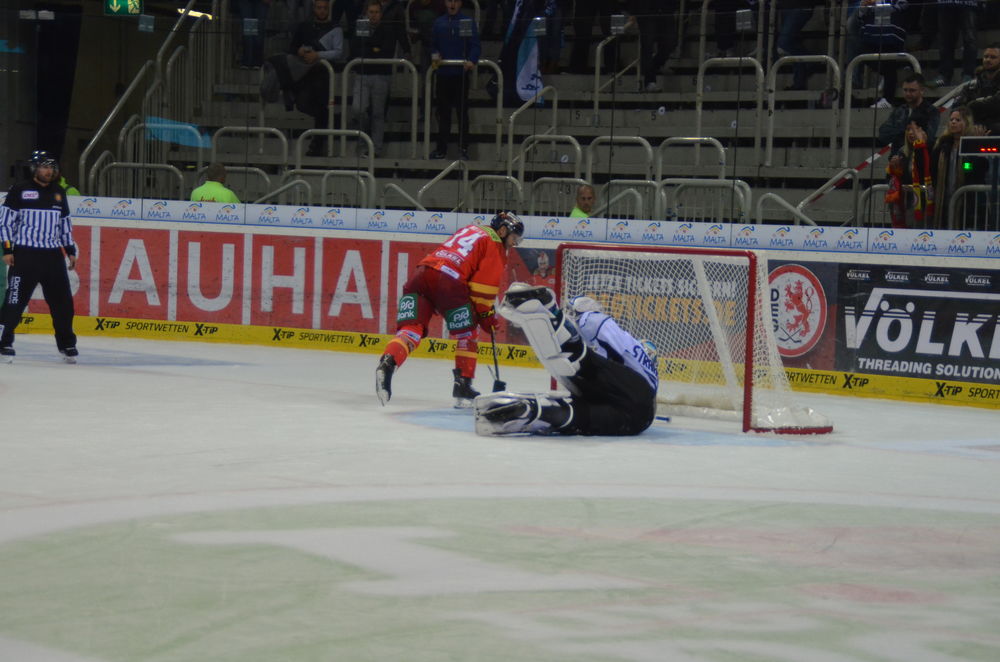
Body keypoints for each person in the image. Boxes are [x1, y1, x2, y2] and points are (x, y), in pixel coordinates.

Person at [375, 211, 525, 408]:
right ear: (503, 230)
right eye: (513, 238)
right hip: (448, 281)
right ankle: (463, 385)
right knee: (468, 333)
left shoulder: (471, 229)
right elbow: (482, 291)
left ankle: (389, 363)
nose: (513, 244)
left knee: (412, 327)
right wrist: (487, 316)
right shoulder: (495, 245)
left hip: (421, 274)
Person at [474, 287, 658, 436]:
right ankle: (536, 411)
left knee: (581, 364)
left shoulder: (635, 350)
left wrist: (584, 311)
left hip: (636, 394)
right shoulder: (646, 371)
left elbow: (597, 323)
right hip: (635, 422)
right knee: (579, 417)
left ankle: (550, 309)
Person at [0, 151, 79, 363]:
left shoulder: (59, 193)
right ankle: (4, 342)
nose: (49, 171)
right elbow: (6, 222)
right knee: (15, 300)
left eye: (52, 167)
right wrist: (7, 250)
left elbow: (64, 225)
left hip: (53, 256)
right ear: (35, 168)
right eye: (44, 167)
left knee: (63, 303)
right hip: (25, 254)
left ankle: (67, 344)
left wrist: (70, 250)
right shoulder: (20, 190)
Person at [284, 0, 347, 156]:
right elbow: (292, 47)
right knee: (303, 103)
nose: (322, 11)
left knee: (321, 105)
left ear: (329, 9)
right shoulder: (304, 26)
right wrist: (300, 51)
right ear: (314, 9)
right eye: (319, 8)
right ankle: (331, 120)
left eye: (325, 8)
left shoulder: (335, 28)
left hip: (323, 72)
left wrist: (318, 55)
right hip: (304, 72)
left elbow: (339, 52)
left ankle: (317, 143)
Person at [430, 0, 481, 160]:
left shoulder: (467, 22)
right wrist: (435, 55)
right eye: (449, 1)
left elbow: (475, 46)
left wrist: (472, 60)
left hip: (460, 75)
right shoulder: (439, 23)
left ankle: (463, 148)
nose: (452, 4)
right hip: (444, 74)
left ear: (460, 3)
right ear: (445, 3)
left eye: (455, 1)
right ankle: (441, 149)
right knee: (443, 113)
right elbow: (433, 45)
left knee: (461, 114)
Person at [351, 0, 397, 157]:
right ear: (366, 13)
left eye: (376, 12)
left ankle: (376, 149)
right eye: (371, 12)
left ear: (381, 14)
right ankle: (362, 143)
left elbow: (386, 53)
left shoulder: (388, 29)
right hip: (362, 74)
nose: (373, 15)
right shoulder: (360, 27)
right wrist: (374, 49)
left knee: (378, 113)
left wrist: (369, 50)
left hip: (381, 76)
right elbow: (355, 51)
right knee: (358, 109)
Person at [932, 106, 988, 228]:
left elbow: (971, 170)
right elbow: (933, 172)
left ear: (967, 123)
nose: (953, 122)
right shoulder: (942, 145)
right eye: (951, 119)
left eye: (958, 120)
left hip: (966, 202)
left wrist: (975, 148)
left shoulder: (972, 145)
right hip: (944, 200)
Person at [885, 118, 936, 228]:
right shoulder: (902, 152)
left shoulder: (932, 149)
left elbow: (924, 170)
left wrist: (920, 146)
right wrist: (895, 168)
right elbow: (897, 178)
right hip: (908, 203)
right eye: (908, 129)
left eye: (916, 129)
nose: (911, 133)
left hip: (927, 203)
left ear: (925, 132)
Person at [877, 73, 938, 156]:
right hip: (897, 159)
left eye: (912, 90)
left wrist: (900, 131)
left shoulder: (931, 111)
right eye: (905, 90)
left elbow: (927, 138)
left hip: (918, 159)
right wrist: (906, 130)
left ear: (922, 90)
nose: (908, 94)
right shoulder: (900, 110)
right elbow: (883, 134)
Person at [955, 43, 1000, 135]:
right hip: (974, 128)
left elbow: (996, 104)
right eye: (986, 56)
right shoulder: (972, 85)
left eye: (993, 57)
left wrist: (973, 104)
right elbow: (958, 108)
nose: (988, 60)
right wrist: (973, 125)